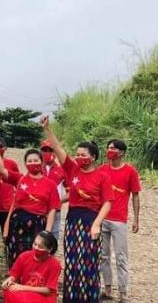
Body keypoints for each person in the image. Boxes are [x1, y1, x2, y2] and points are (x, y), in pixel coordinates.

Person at [40, 115, 112, 303]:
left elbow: (107, 203)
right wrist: (47, 128)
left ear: (93, 157)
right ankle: (71, 298)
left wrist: (97, 224)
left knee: (88, 260)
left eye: (83, 155)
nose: (79, 157)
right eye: (77, 154)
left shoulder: (102, 177)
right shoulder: (73, 169)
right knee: (72, 260)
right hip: (73, 221)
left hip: (91, 221)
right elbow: (57, 148)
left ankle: (88, 298)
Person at [0, 138, 61, 268]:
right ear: (25, 163)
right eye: (29, 161)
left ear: (41, 162)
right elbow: (2, 170)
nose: (33, 163)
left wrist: (47, 232)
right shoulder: (20, 179)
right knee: (16, 256)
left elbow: (52, 209)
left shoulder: (50, 184)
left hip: (38, 225)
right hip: (18, 224)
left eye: (36, 160)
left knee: (36, 257)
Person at [98, 139, 141, 303]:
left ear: (121, 152)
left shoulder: (130, 172)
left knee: (121, 257)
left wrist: (136, 219)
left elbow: (135, 196)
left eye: (113, 148)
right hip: (102, 218)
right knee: (103, 256)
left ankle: (123, 293)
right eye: (108, 147)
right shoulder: (102, 170)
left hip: (119, 220)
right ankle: (107, 289)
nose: (109, 150)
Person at [0, 231, 62, 303]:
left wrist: (23, 288)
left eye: (40, 247)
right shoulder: (24, 256)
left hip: (43, 296)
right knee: (8, 290)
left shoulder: (55, 264)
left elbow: (48, 290)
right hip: (26, 293)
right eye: (35, 244)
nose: (36, 248)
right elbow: (14, 275)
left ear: (50, 249)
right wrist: (8, 281)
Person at [39, 140, 66, 241]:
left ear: (55, 152)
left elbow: (71, 192)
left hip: (55, 212)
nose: (47, 153)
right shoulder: (36, 169)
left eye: (50, 150)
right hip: (38, 211)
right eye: (44, 150)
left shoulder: (61, 170)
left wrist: (58, 201)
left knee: (51, 240)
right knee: (37, 239)